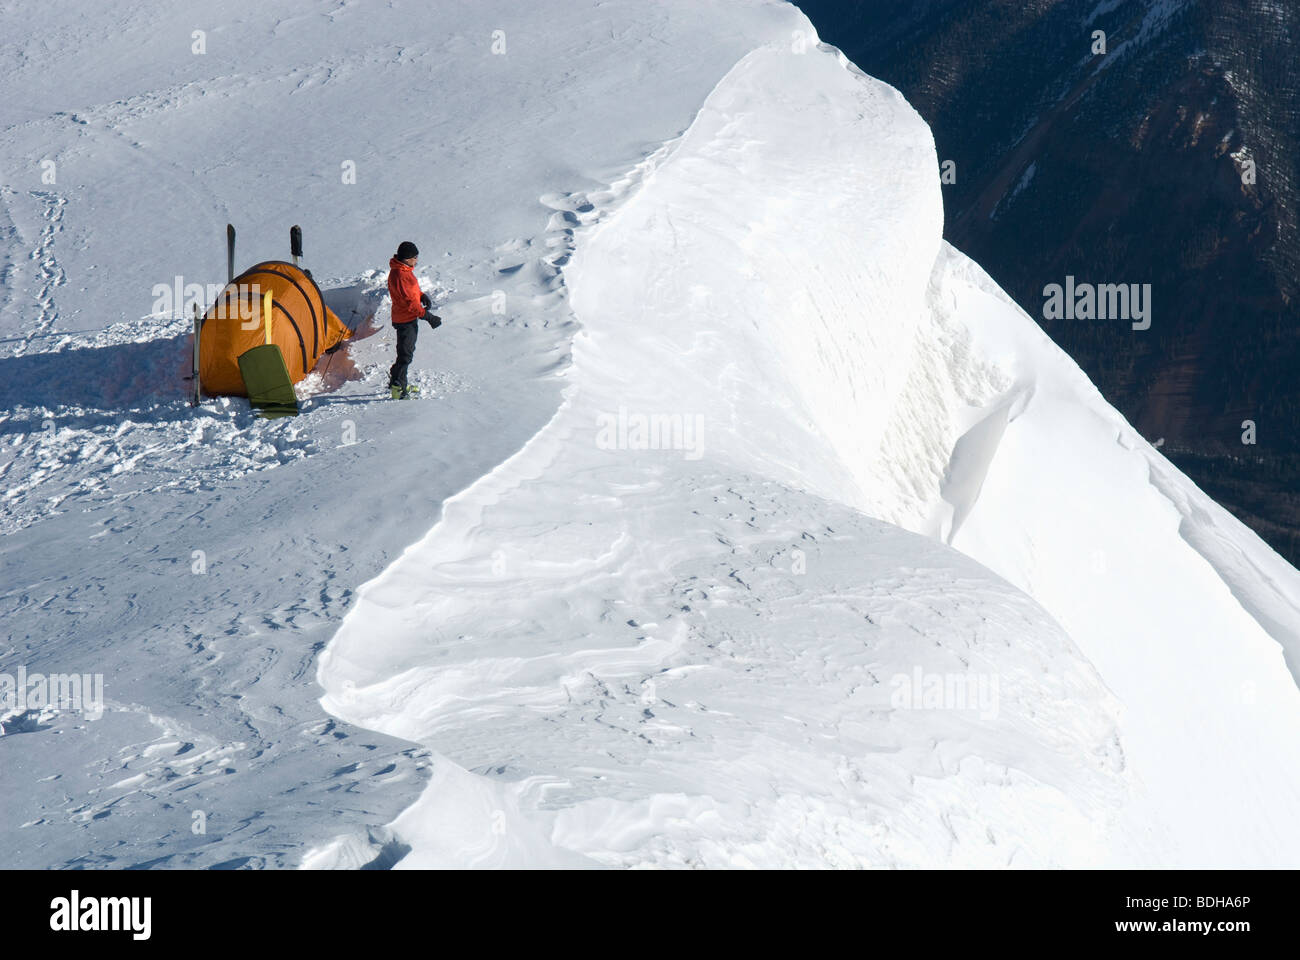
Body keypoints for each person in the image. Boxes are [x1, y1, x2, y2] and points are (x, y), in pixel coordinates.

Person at [386, 241, 442, 399]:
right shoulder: (400, 275)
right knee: (405, 355)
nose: (417, 260)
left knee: (404, 353)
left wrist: (422, 295)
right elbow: (410, 304)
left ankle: (397, 382)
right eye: (415, 257)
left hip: (405, 318)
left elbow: (411, 293)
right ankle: (399, 390)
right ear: (408, 258)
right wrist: (430, 317)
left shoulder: (404, 270)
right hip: (405, 320)